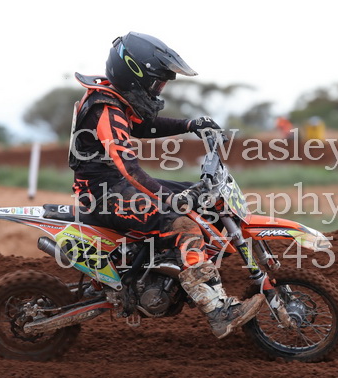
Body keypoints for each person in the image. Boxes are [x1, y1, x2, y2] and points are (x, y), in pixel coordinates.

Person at [68, 32, 264, 339]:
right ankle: (217, 310)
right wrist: (169, 201)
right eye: (157, 82)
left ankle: (168, 268)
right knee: (184, 225)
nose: (159, 89)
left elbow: (142, 127)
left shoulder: (114, 99)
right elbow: (128, 168)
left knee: (201, 197)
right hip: (103, 193)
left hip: (114, 184)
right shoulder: (105, 109)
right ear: (134, 74)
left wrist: (191, 125)